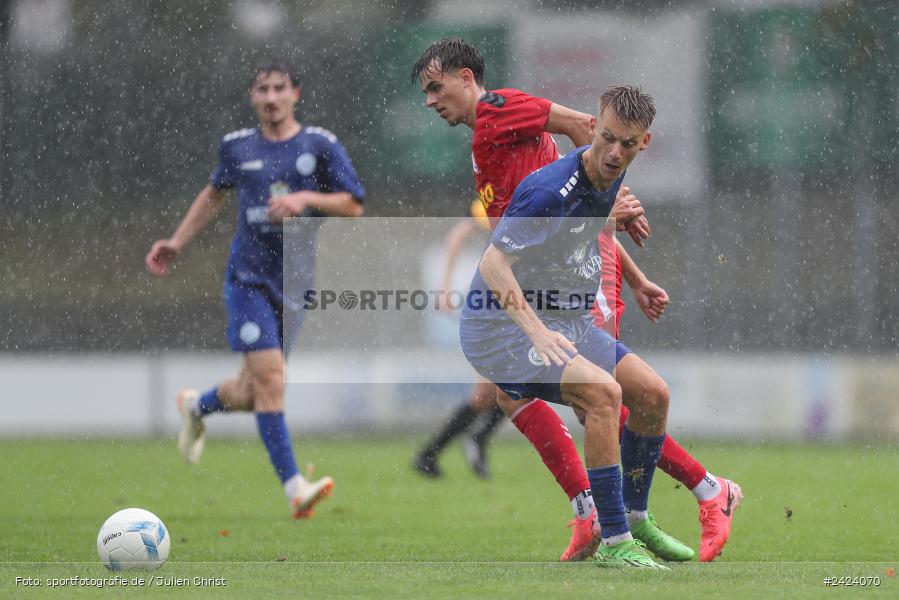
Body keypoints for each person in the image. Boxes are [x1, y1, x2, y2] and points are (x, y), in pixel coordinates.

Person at [412, 39, 694, 563]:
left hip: (556, 302)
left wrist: (631, 271)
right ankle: (618, 529)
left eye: (435, 87)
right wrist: (540, 327)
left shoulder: (503, 115)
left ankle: (629, 514)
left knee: (647, 396)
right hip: (521, 309)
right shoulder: (529, 161)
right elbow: (506, 251)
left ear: (466, 77)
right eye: (607, 139)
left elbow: (578, 140)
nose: (430, 100)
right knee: (595, 400)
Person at [145, 63, 365, 520]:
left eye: (279, 88)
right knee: (271, 382)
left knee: (252, 392)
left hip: (295, 284)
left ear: (295, 93)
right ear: (252, 97)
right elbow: (213, 194)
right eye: (262, 89)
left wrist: (305, 199)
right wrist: (177, 242)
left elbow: (353, 206)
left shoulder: (319, 145)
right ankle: (295, 488)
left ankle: (196, 405)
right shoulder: (237, 147)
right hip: (248, 280)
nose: (271, 97)